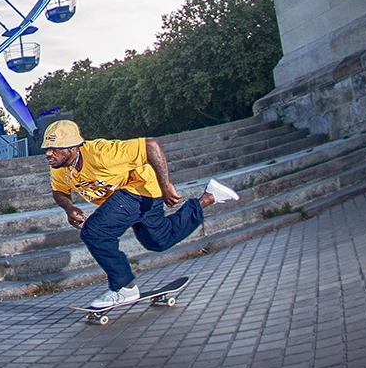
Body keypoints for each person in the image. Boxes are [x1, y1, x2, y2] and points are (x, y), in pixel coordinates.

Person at [42, 120, 239, 309]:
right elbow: (59, 192)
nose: (49, 154)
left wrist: (166, 185)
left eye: (54, 149)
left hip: (137, 189)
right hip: (140, 198)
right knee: (158, 241)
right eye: (47, 149)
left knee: (95, 232)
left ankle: (124, 288)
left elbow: (151, 146)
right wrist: (69, 208)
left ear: (72, 148)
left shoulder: (102, 153)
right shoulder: (60, 167)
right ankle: (209, 198)